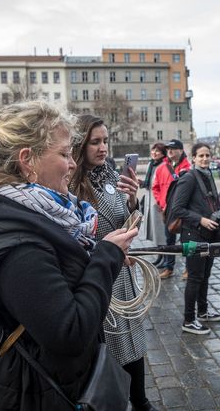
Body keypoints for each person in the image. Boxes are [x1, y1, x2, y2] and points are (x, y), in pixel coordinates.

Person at [0, 101, 136, 410]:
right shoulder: (18, 243)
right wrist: (106, 257)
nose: (72, 164)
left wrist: (100, 255)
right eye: (63, 154)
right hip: (34, 393)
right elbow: (69, 331)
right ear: (27, 161)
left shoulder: (23, 216)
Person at [70, 115, 156, 411]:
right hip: (99, 275)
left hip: (123, 276)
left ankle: (141, 401)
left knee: (133, 341)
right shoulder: (71, 183)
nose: (103, 148)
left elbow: (129, 221)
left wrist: (133, 199)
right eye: (95, 142)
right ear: (79, 146)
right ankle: (109, 401)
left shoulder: (110, 175)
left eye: (105, 141)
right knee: (112, 346)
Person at [169, 143, 220, 335]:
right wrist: (201, 220)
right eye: (201, 156)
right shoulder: (189, 178)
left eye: (207, 155)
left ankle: (203, 311)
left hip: (208, 236)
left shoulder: (208, 176)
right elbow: (177, 209)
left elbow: (217, 205)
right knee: (195, 277)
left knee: (205, 275)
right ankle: (189, 319)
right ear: (193, 158)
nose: (205, 159)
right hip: (193, 235)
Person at [152, 139, 191, 279]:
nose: (169, 151)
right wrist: (161, 203)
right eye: (168, 148)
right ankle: (169, 268)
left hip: (185, 211)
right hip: (167, 211)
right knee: (169, 241)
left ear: (180, 150)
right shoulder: (161, 168)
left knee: (186, 241)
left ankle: (188, 268)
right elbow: (155, 187)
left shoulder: (188, 168)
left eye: (173, 148)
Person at [140, 143, 168, 263]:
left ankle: (165, 256)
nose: (154, 153)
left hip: (158, 203)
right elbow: (149, 183)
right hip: (150, 201)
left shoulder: (164, 166)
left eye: (157, 151)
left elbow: (165, 186)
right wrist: (141, 182)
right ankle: (160, 255)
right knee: (156, 231)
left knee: (161, 231)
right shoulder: (151, 164)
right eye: (153, 151)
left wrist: (163, 204)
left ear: (163, 153)